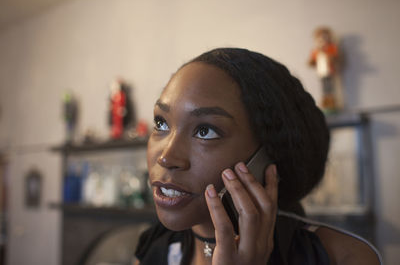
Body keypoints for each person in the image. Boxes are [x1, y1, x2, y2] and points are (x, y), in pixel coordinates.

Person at [134, 48, 381, 265]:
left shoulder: (341, 257)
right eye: (161, 123)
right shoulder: (154, 245)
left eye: (205, 131)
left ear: (266, 156)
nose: (166, 158)